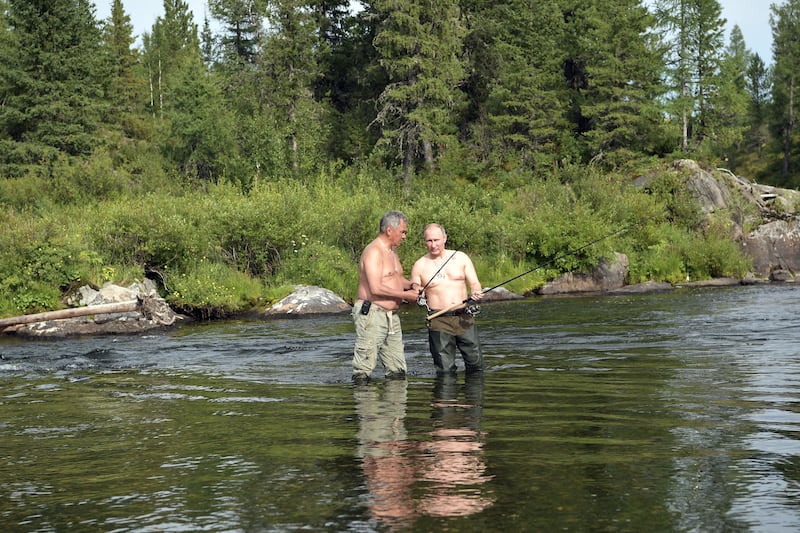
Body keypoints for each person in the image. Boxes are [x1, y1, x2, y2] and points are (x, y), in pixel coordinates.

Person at [352, 210, 421, 384]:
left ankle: (395, 410)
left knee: (398, 370)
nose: (404, 236)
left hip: (391, 318)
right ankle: (365, 409)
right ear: (390, 230)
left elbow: (396, 280)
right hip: (372, 314)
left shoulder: (392, 252)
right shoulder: (374, 251)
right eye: (403, 231)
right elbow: (376, 288)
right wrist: (406, 295)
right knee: (363, 370)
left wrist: (413, 286)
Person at [410, 224, 484, 375]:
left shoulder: (461, 257)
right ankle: (445, 398)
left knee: (476, 365)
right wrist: (418, 292)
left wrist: (476, 291)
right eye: (429, 241)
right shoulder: (420, 265)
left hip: (464, 316)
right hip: (438, 319)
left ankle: (474, 398)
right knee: (445, 370)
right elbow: (414, 288)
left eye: (436, 240)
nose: (433, 244)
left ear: (445, 238)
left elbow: (475, 283)